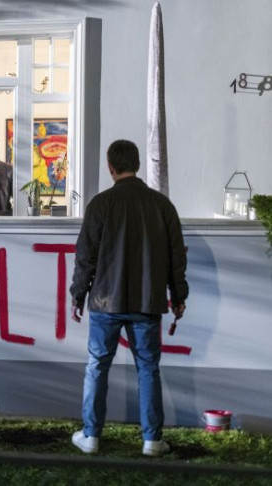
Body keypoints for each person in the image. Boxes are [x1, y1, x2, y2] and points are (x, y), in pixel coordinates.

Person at [69, 139, 188, 457]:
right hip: (147, 302)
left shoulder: (100, 204)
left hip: (105, 302)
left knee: (97, 366)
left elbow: (85, 257)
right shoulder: (162, 205)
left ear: (110, 167)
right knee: (148, 368)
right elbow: (176, 258)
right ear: (137, 164)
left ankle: (91, 436)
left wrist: (78, 295)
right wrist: (178, 296)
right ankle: (152, 440)